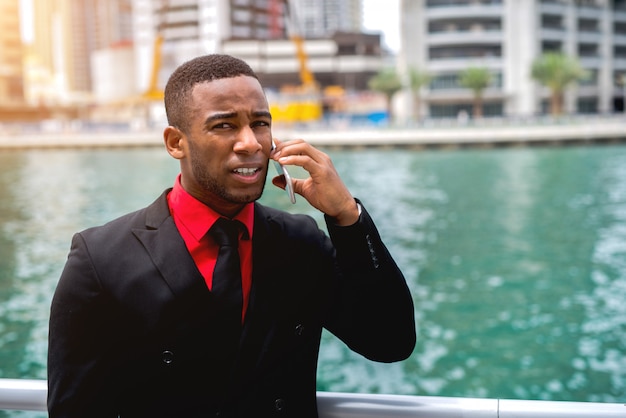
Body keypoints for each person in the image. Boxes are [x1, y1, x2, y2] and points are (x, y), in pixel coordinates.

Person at [47, 54, 416, 418]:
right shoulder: (99, 258)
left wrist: (347, 217)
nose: (251, 143)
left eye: (260, 123)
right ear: (176, 142)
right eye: (224, 126)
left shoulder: (301, 243)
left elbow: (390, 341)